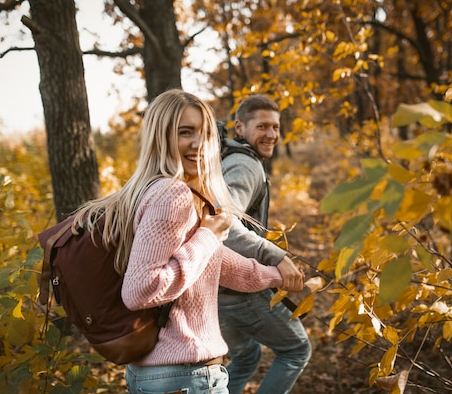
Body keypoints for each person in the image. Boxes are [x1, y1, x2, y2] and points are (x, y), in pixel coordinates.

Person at [72, 89, 302, 394]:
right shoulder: (173, 196)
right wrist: (208, 234)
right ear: (160, 137)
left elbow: (224, 265)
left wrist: (277, 275)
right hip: (186, 376)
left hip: (166, 374)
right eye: (185, 132)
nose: (199, 143)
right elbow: (141, 290)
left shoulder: (153, 191)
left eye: (205, 133)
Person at [218, 94, 312, 394]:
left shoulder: (227, 158)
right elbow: (224, 225)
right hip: (239, 290)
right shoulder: (245, 165)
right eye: (263, 127)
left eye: (275, 127)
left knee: (247, 355)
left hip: (217, 288)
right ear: (240, 128)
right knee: (296, 350)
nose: (271, 134)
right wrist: (275, 255)